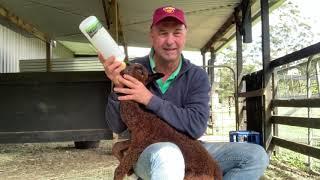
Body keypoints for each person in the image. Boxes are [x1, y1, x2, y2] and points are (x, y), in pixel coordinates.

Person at [99, 5, 269, 180]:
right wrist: (117, 87)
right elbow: (116, 127)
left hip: (190, 146)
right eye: (163, 33)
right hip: (146, 148)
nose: (170, 41)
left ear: (185, 34)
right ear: (152, 35)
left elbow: (195, 128)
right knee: (168, 155)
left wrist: (149, 99)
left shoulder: (196, 76)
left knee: (256, 155)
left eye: (177, 33)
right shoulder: (134, 69)